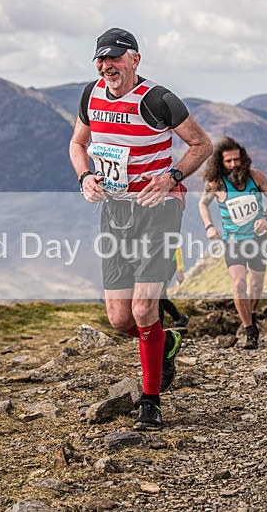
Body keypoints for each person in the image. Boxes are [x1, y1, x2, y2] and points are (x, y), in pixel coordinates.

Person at [69, 27, 212, 431]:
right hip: (115, 212)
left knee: (144, 307)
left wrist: (172, 176)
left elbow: (202, 144)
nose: (106, 66)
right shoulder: (90, 95)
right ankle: (163, 342)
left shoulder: (158, 100)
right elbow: (77, 145)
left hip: (158, 209)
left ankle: (150, 403)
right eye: (100, 59)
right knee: (119, 319)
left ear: (135, 59)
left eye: (114, 58)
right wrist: (85, 178)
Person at [199, 136, 267, 350]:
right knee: (239, 284)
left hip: (257, 240)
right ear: (221, 163)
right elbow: (203, 205)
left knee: (256, 286)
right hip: (233, 242)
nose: (233, 164)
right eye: (228, 161)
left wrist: (266, 219)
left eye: (236, 159)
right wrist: (209, 226)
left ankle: (252, 314)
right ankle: (249, 330)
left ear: (242, 158)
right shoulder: (216, 183)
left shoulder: (256, 177)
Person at [159, 247, 189, 328]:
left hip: (168, 263)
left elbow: (177, 246)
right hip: (155, 263)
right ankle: (179, 319)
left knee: (158, 298)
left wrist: (180, 270)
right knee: (161, 296)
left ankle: (158, 331)